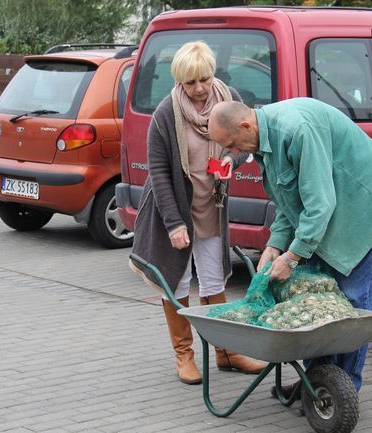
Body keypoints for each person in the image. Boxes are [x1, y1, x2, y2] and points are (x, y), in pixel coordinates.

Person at [208, 97, 372, 394]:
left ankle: (341, 391)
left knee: (352, 303)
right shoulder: (261, 139)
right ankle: (315, 384)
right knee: (313, 298)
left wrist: (293, 257)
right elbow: (289, 199)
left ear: (245, 125)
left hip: (360, 204)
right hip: (329, 206)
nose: (232, 154)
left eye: (231, 144)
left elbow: (320, 205)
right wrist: (275, 245)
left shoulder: (297, 130)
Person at [129, 41, 267, 385]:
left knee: (214, 278)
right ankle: (184, 355)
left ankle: (226, 352)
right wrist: (174, 223)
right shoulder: (166, 112)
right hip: (173, 208)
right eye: (191, 82)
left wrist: (229, 162)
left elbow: (242, 145)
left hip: (211, 205)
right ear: (180, 82)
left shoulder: (228, 98)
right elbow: (158, 171)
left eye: (204, 78)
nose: (200, 88)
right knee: (176, 281)